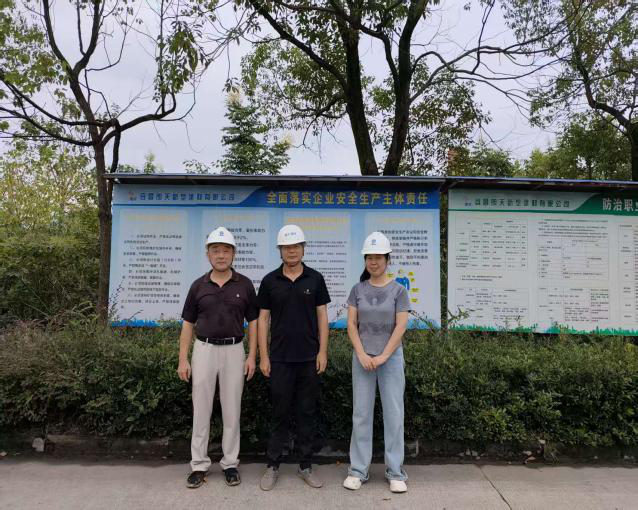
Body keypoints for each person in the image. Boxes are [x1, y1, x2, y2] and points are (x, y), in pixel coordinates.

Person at [177, 226, 259, 489]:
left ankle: (230, 463)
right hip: (204, 350)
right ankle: (199, 465)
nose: (221, 255)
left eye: (225, 250)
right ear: (208, 254)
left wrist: (252, 356)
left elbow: (254, 323)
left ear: (233, 254)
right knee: (201, 409)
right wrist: (183, 359)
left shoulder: (245, 284)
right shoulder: (198, 285)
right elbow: (187, 324)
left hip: (235, 350)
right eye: (216, 251)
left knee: (232, 409)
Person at [257, 224, 330, 491]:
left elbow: (322, 316)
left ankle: (305, 465)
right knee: (279, 412)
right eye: (287, 247)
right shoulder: (269, 281)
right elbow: (263, 320)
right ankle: (272, 465)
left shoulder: (315, 279)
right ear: (280, 250)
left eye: (296, 246)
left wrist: (322, 351)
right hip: (279, 359)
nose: (291, 251)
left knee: (306, 413)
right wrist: (263, 356)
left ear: (303, 249)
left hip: (309, 358)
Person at [342, 231, 411, 494]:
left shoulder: (399, 290)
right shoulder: (357, 289)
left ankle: (396, 472)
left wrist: (383, 356)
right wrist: (361, 353)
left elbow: (401, 326)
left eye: (378, 257)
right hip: (362, 358)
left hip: (390, 359)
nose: (373, 262)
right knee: (361, 414)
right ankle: (358, 470)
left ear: (387, 259)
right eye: (369, 257)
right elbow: (351, 324)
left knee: (394, 414)